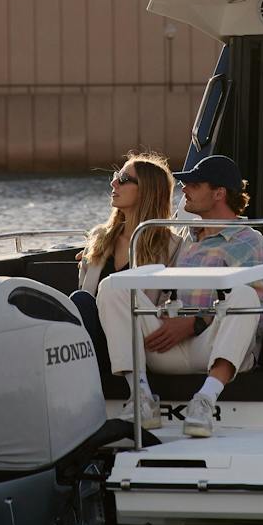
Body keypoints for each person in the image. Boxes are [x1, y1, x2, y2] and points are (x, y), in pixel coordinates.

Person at [95, 154, 263, 439]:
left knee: (245, 296)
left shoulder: (253, 244)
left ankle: (205, 400)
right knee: (113, 286)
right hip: (168, 345)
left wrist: (197, 322)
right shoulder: (185, 241)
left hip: (217, 350)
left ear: (219, 193)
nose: (184, 190)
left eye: (194, 184)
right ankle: (141, 398)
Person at [70, 153, 179, 389]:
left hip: (142, 340)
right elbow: (84, 296)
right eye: (115, 176)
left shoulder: (173, 246)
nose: (113, 183)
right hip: (96, 338)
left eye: (123, 178)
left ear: (147, 191)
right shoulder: (99, 238)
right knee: (79, 301)